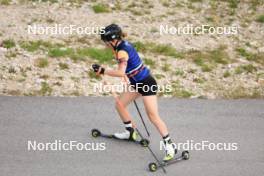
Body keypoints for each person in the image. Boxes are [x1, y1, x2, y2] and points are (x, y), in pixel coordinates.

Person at [92, 24, 176, 161]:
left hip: (146, 83)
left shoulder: (121, 51)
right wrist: (128, 76)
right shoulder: (121, 45)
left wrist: (103, 71)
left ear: (113, 40)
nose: (105, 44)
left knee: (153, 116)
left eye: (106, 42)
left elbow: (120, 72)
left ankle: (170, 146)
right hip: (136, 83)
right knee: (120, 104)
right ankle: (130, 132)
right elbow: (129, 66)